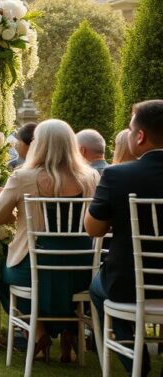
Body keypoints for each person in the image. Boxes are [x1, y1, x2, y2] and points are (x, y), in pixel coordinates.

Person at [0, 119, 98, 363]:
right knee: (62, 281)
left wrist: (15, 210)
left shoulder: (23, 177)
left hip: (33, 268)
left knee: (1, 276)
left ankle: (38, 333)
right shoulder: (91, 177)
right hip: (81, 269)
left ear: (39, 145)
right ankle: (70, 328)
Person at [86, 100, 163, 377]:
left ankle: (134, 359)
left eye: (130, 129)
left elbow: (93, 230)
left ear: (140, 136)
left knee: (98, 289)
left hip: (129, 284)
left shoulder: (118, 175)